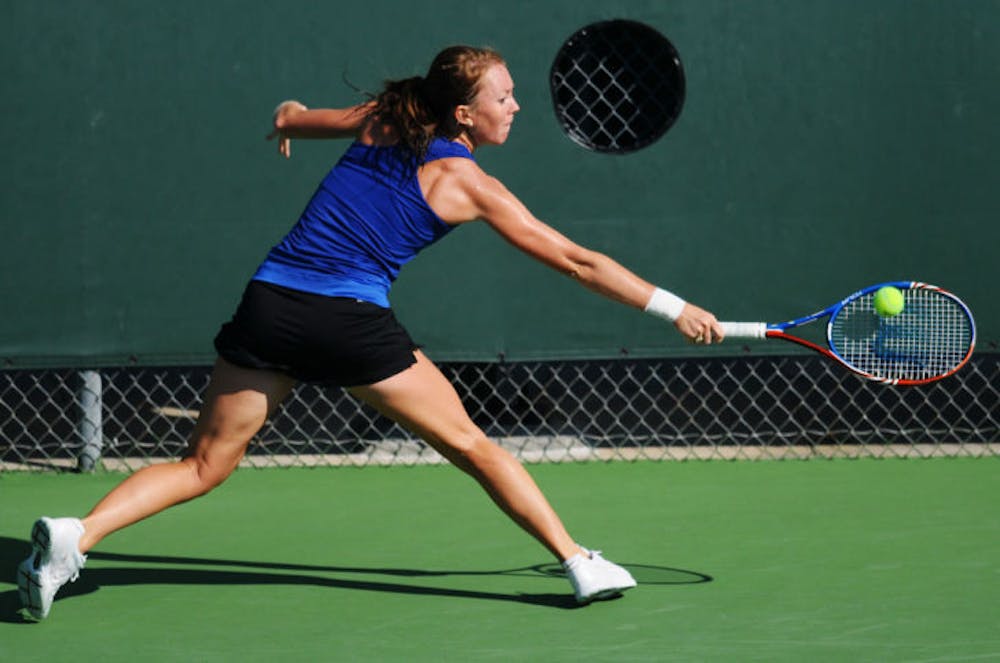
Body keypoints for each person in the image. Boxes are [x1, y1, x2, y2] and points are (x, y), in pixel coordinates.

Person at [17, 45, 724, 620]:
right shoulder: (470, 183)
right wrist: (675, 307)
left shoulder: (388, 117)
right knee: (473, 445)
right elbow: (577, 260)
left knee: (202, 466)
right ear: (464, 114)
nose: (516, 106)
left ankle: (77, 538)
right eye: (503, 97)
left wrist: (289, 120)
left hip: (271, 301)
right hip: (349, 322)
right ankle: (578, 562)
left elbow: (311, 118)